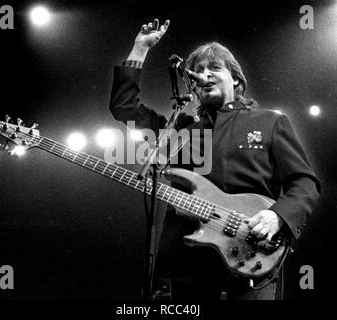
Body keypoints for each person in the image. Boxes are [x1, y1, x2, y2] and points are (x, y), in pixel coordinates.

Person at [109, 19, 320, 300]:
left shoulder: (270, 122)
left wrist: (277, 216)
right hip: (189, 263)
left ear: (235, 78)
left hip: (252, 255)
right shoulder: (181, 128)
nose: (204, 75)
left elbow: (304, 182)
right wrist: (139, 49)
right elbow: (124, 108)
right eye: (197, 72)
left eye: (214, 68)